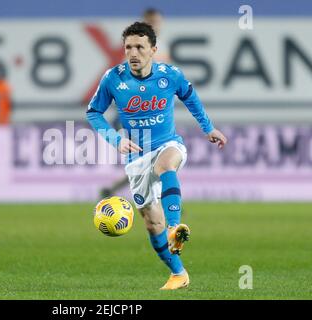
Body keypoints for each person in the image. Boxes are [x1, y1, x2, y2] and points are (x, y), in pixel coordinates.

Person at [86, 22, 227, 290]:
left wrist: (208, 128)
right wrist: (116, 138)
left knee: (166, 164)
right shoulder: (112, 78)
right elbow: (93, 112)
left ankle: (175, 227)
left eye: (140, 47)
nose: (133, 53)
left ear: (153, 49)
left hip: (167, 144)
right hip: (136, 158)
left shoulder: (169, 75)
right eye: (128, 47)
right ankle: (178, 274)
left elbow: (191, 97)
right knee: (152, 223)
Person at [99, 8, 170, 198]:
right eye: (153, 21)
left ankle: (113, 190)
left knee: (149, 160)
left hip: (153, 114)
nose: (157, 25)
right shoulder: (136, 48)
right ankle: (163, 199)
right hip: (135, 115)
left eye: (158, 21)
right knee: (153, 158)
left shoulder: (161, 46)